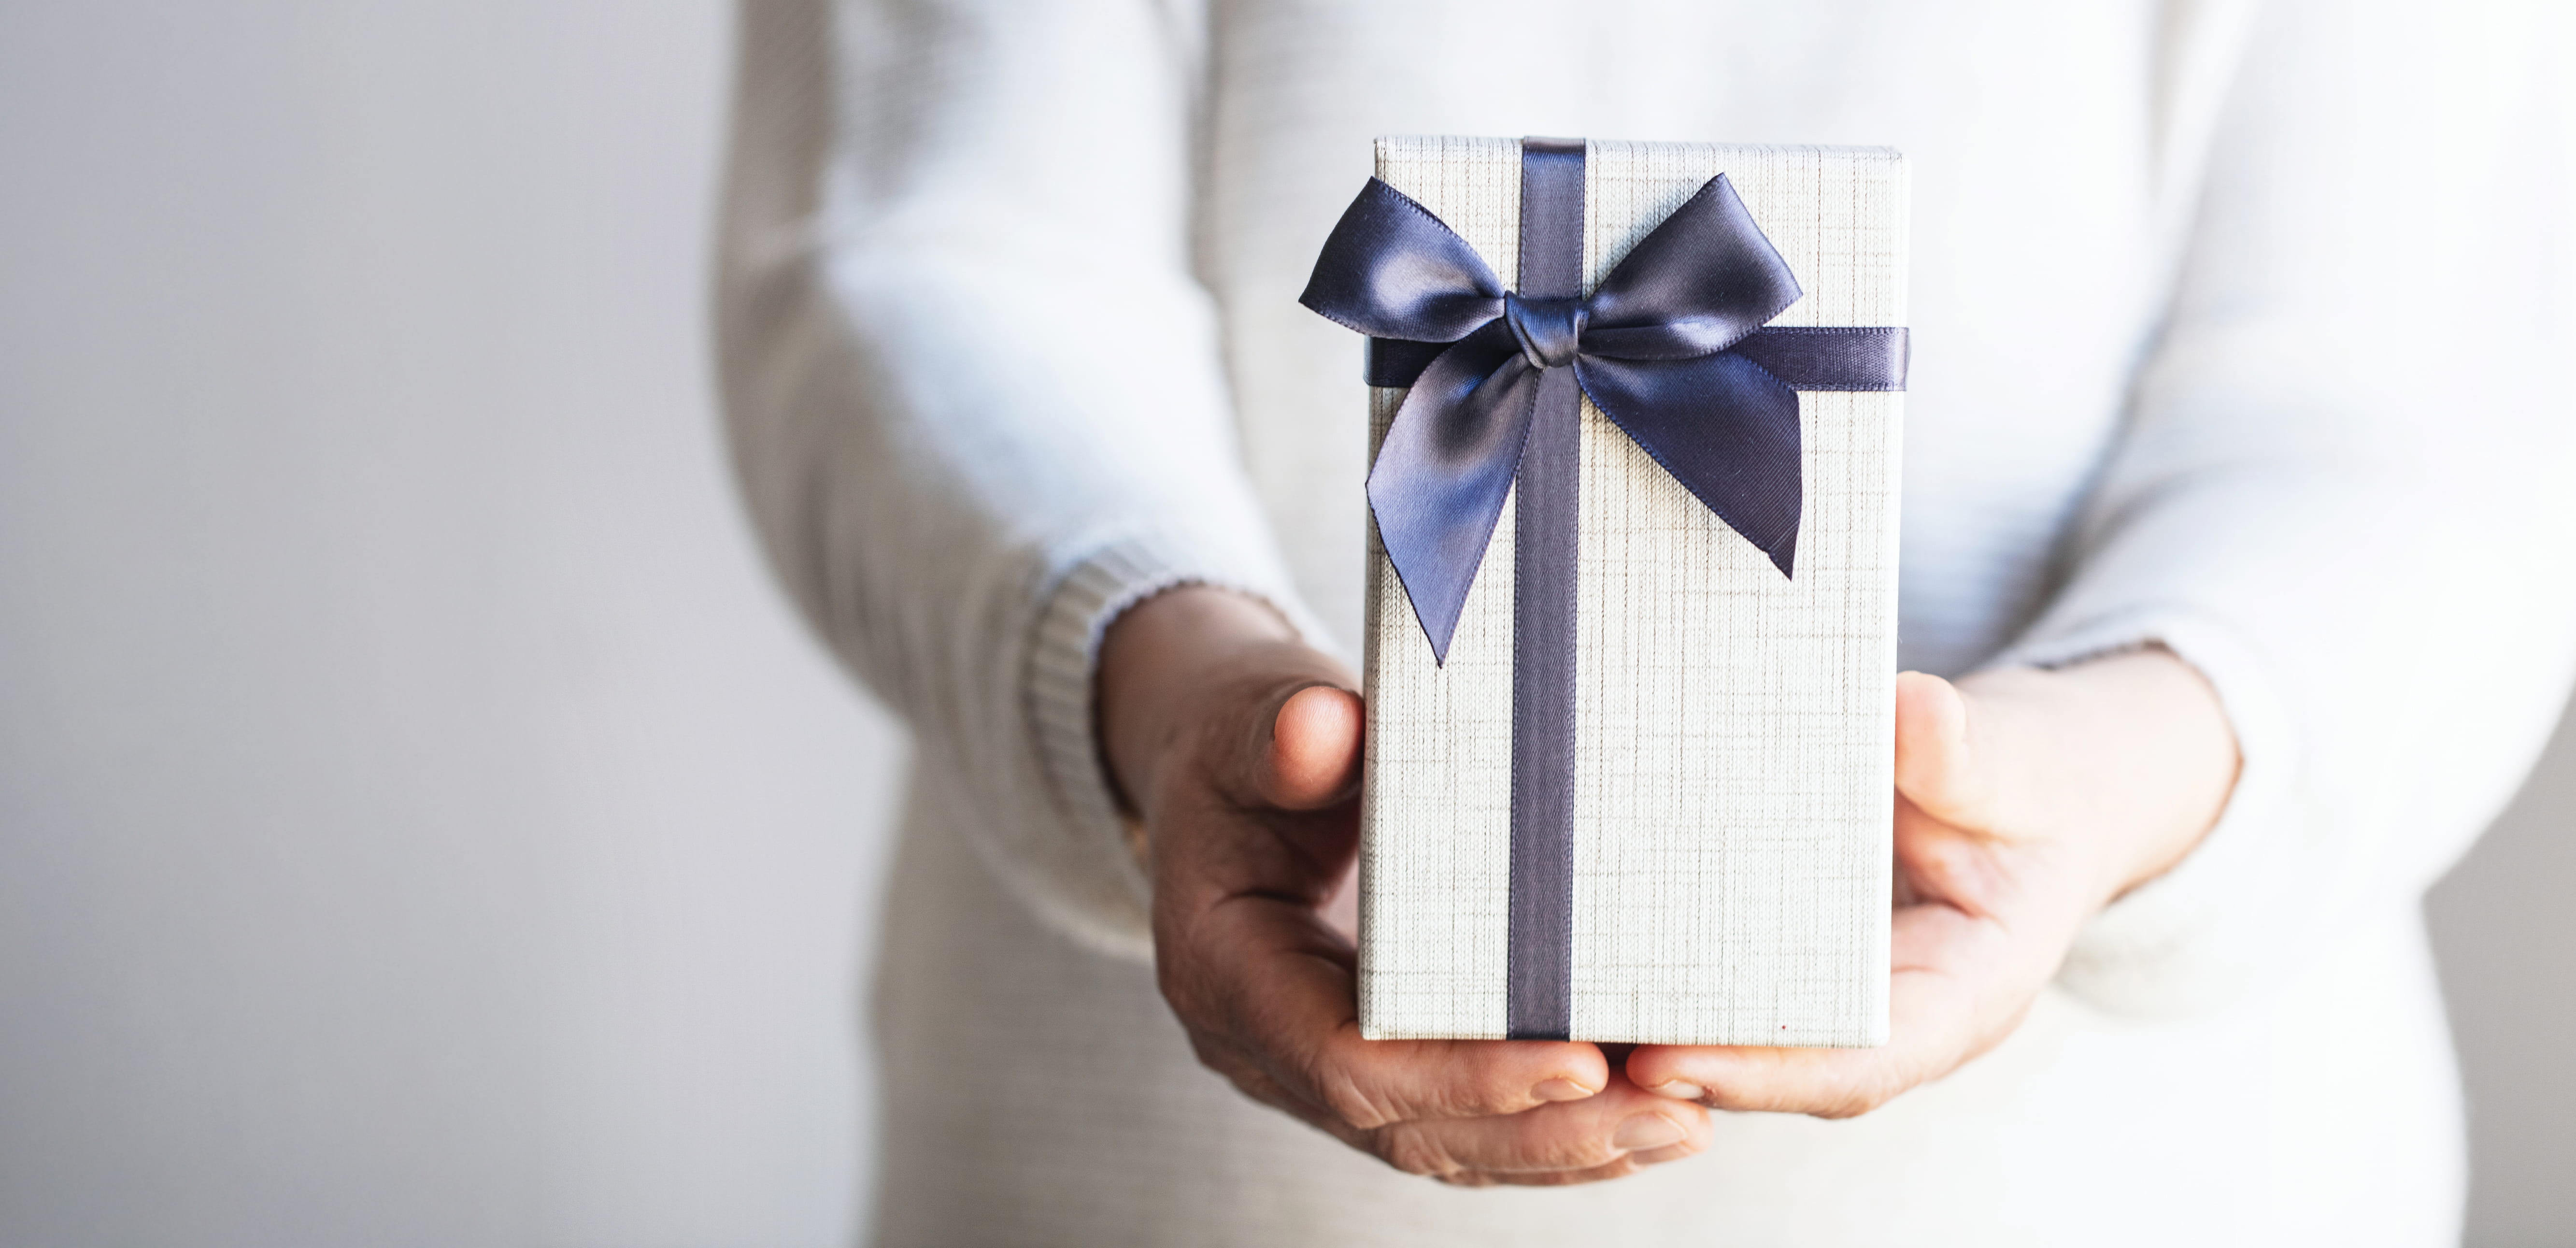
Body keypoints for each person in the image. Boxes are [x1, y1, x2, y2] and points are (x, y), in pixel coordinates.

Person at [714, 0, 2576, 1242]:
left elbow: (2418, 390)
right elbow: (922, 239)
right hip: (1134, 1173)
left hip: (2144, 1182)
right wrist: (1157, 671)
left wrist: (2103, 771)